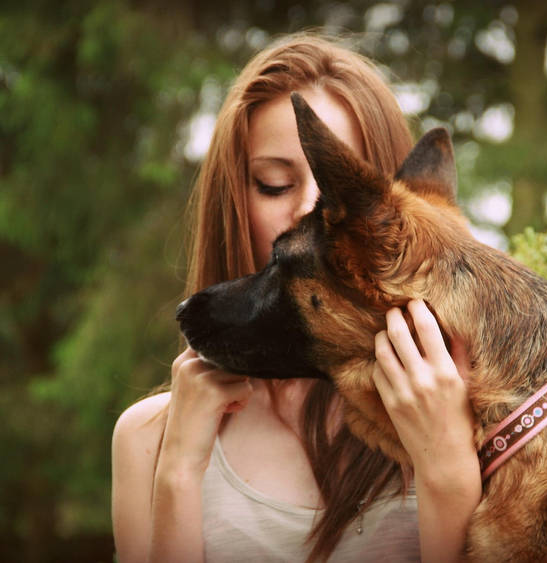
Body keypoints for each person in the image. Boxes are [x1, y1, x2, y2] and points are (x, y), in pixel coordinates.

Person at [111, 33, 480, 563]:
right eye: (275, 184)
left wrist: (446, 464)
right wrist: (179, 471)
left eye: (342, 188)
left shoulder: (466, 404)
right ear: (233, 203)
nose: (312, 209)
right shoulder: (148, 435)